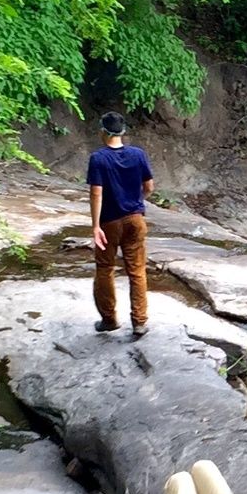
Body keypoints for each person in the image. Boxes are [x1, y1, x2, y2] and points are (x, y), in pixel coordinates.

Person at [86, 111, 155, 339]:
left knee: (105, 269)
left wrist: (95, 226)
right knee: (136, 271)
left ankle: (109, 320)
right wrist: (137, 203)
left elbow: (97, 193)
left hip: (109, 222)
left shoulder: (98, 158)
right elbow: (149, 187)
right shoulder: (138, 154)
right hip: (135, 220)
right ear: (123, 132)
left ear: (103, 132)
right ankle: (139, 322)